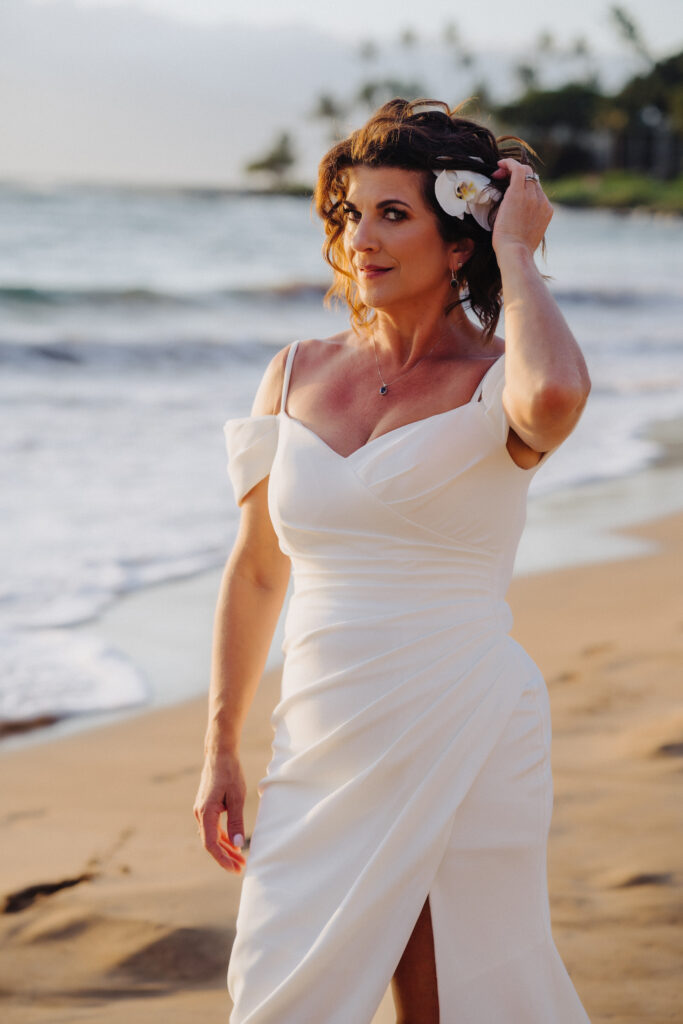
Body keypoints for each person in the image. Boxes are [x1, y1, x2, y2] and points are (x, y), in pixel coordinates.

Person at [194, 97, 592, 1023]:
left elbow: (560, 396)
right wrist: (220, 744)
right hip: (322, 732)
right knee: (277, 992)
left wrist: (521, 256)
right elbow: (256, 570)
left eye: (392, 214)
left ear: (460, 245)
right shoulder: (293, 370)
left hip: (463, 712)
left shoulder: (502, 379)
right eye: (349, 213)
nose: (359, 238)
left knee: (451, 992)